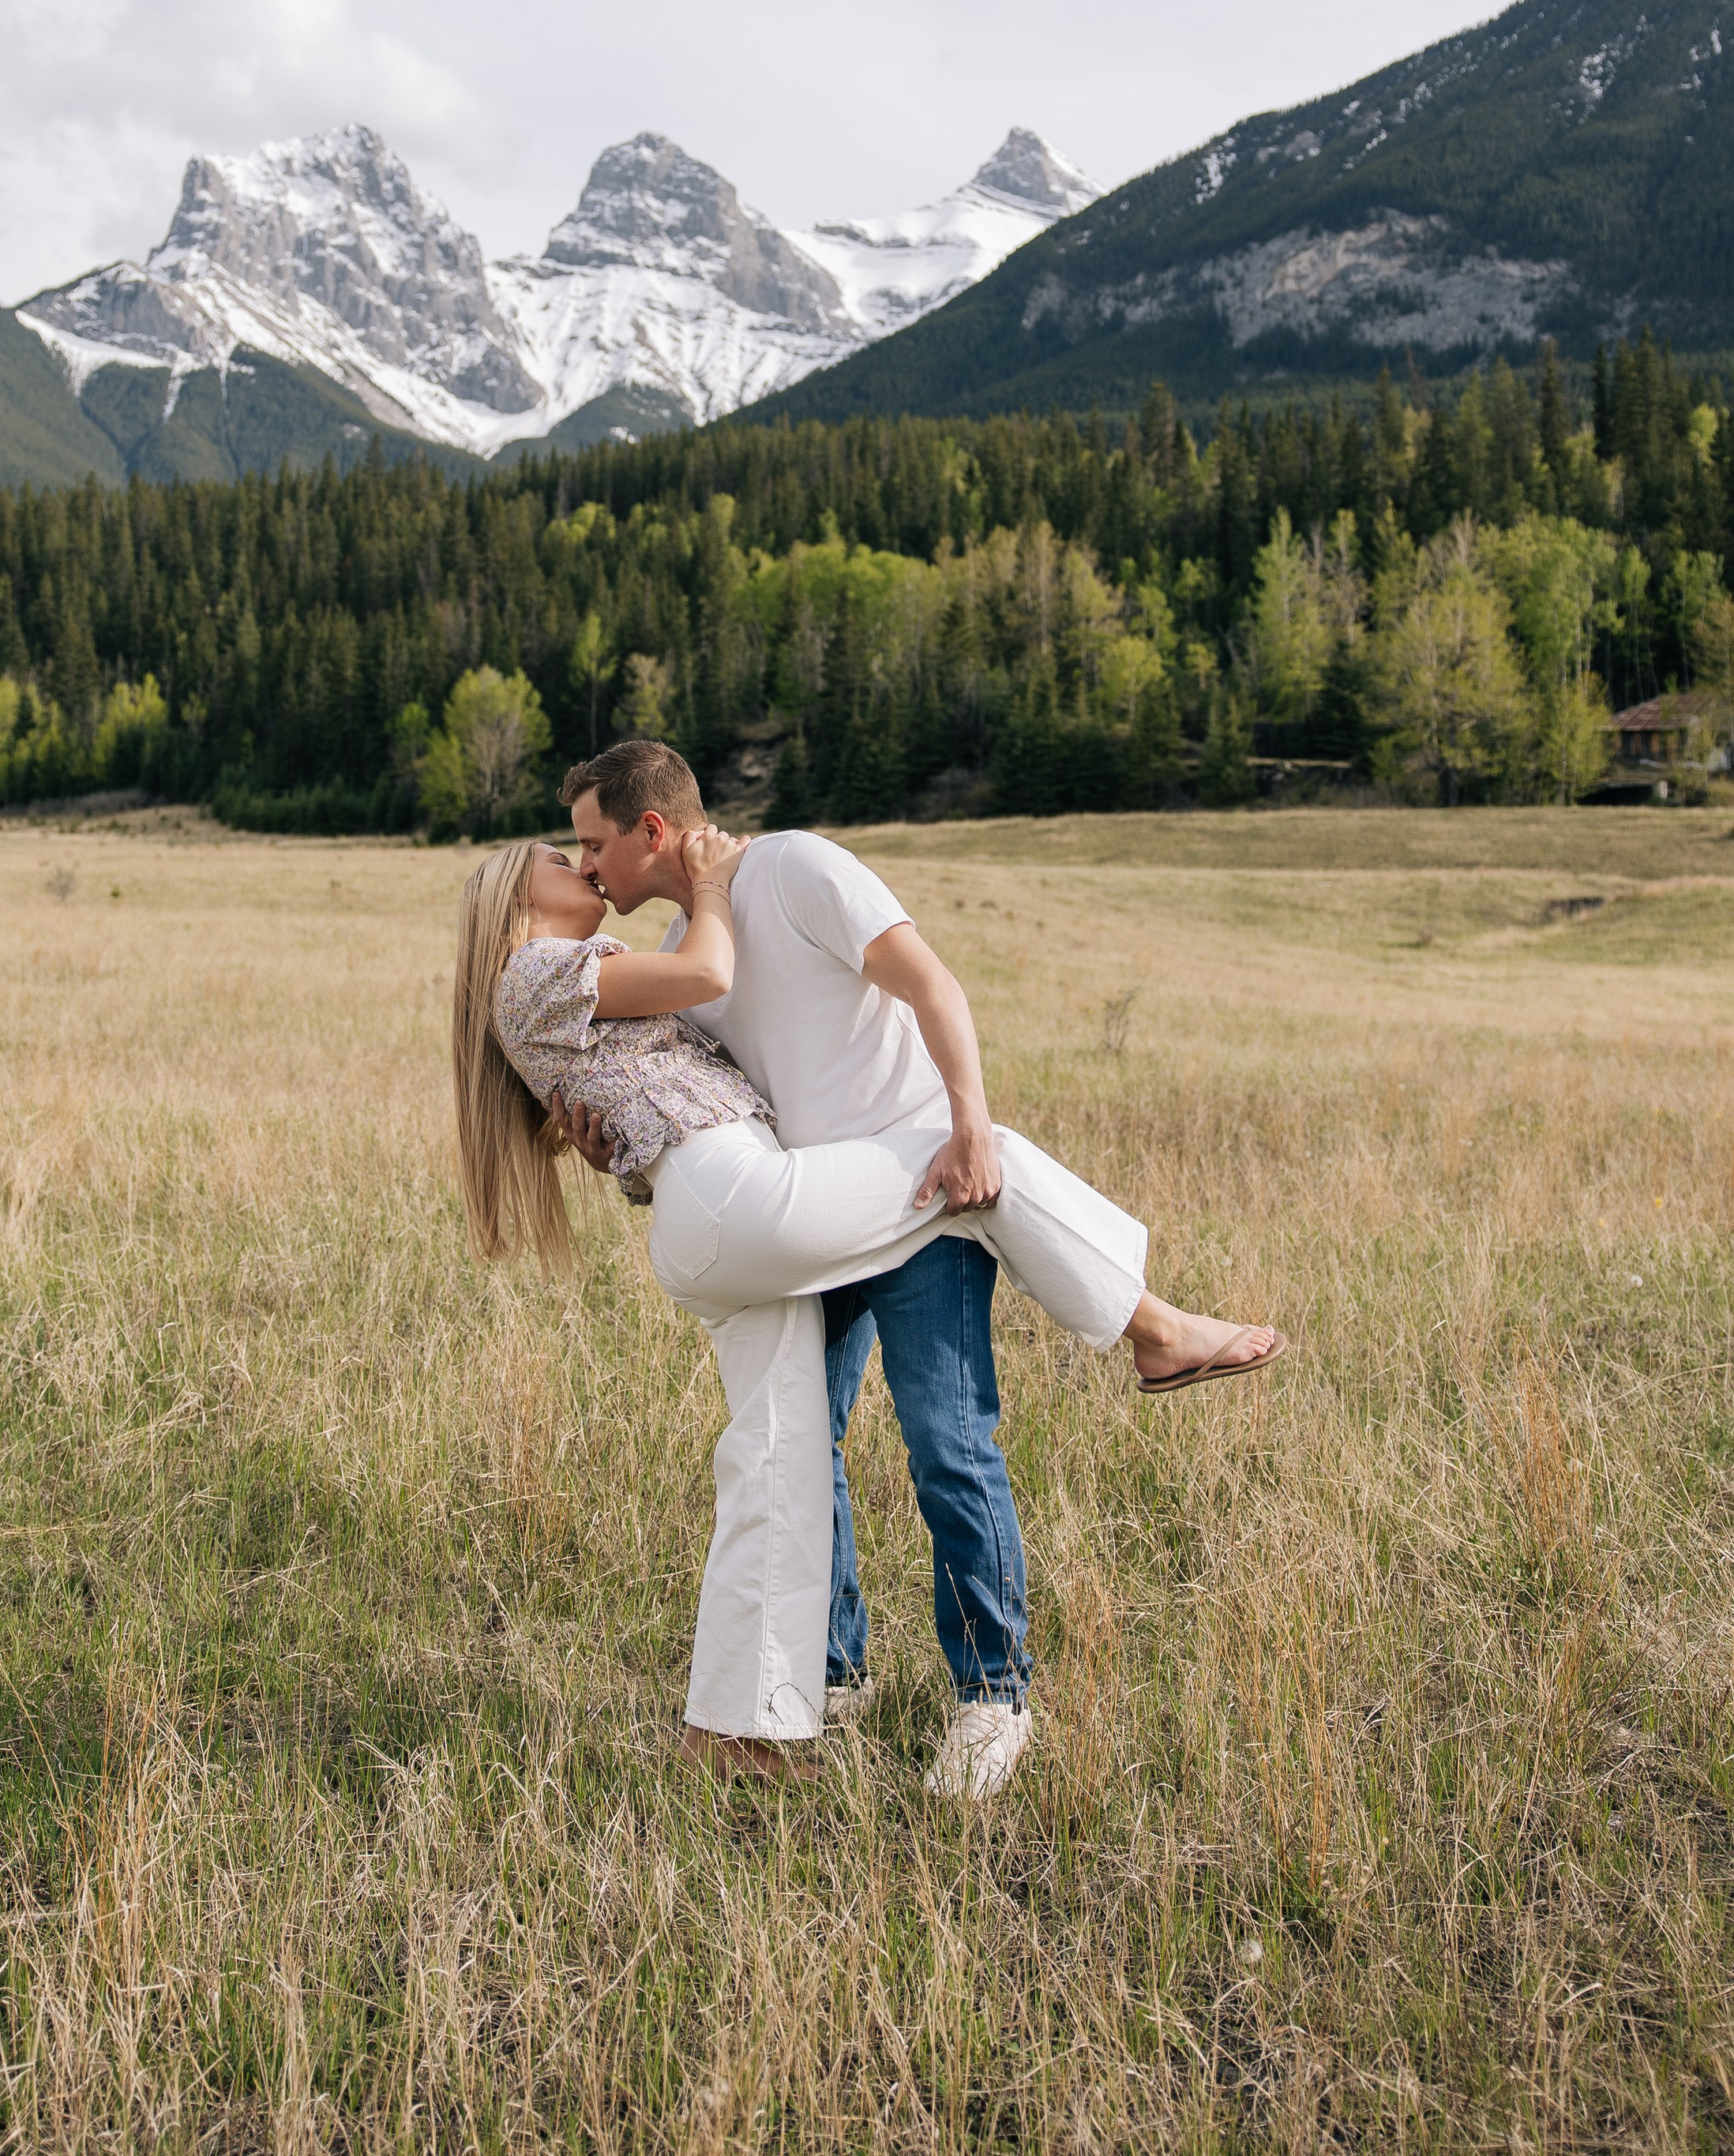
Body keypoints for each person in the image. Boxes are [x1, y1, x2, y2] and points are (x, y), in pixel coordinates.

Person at [453, 744, 1282, 1791]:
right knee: (815, 1444)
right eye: (565, 854)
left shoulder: (795, 869)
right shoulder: (674, 954)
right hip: (794, 1210)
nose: (585, 864)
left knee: (894, 1447)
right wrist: (608, 1138)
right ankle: (1148, 1335)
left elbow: (929, 981)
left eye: (589, 843)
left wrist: (966, 1124)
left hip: (878, 1195)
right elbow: (684, 1107)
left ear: (651, 831)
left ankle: (945, 1701)